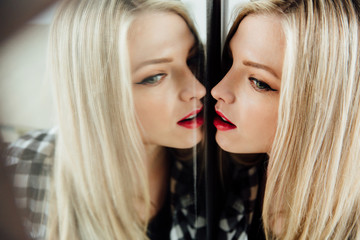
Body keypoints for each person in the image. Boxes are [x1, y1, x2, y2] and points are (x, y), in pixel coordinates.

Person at [6, 0, 206, 239]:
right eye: (154, 77)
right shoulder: (22, 172)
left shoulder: (216, 169)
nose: (197, 89)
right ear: (98, 92)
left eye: (192, 59)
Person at [212, 0, 360, 239]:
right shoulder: (232, 183)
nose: (218, 90)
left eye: (258, 82)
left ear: (318, 108)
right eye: (230, 62)